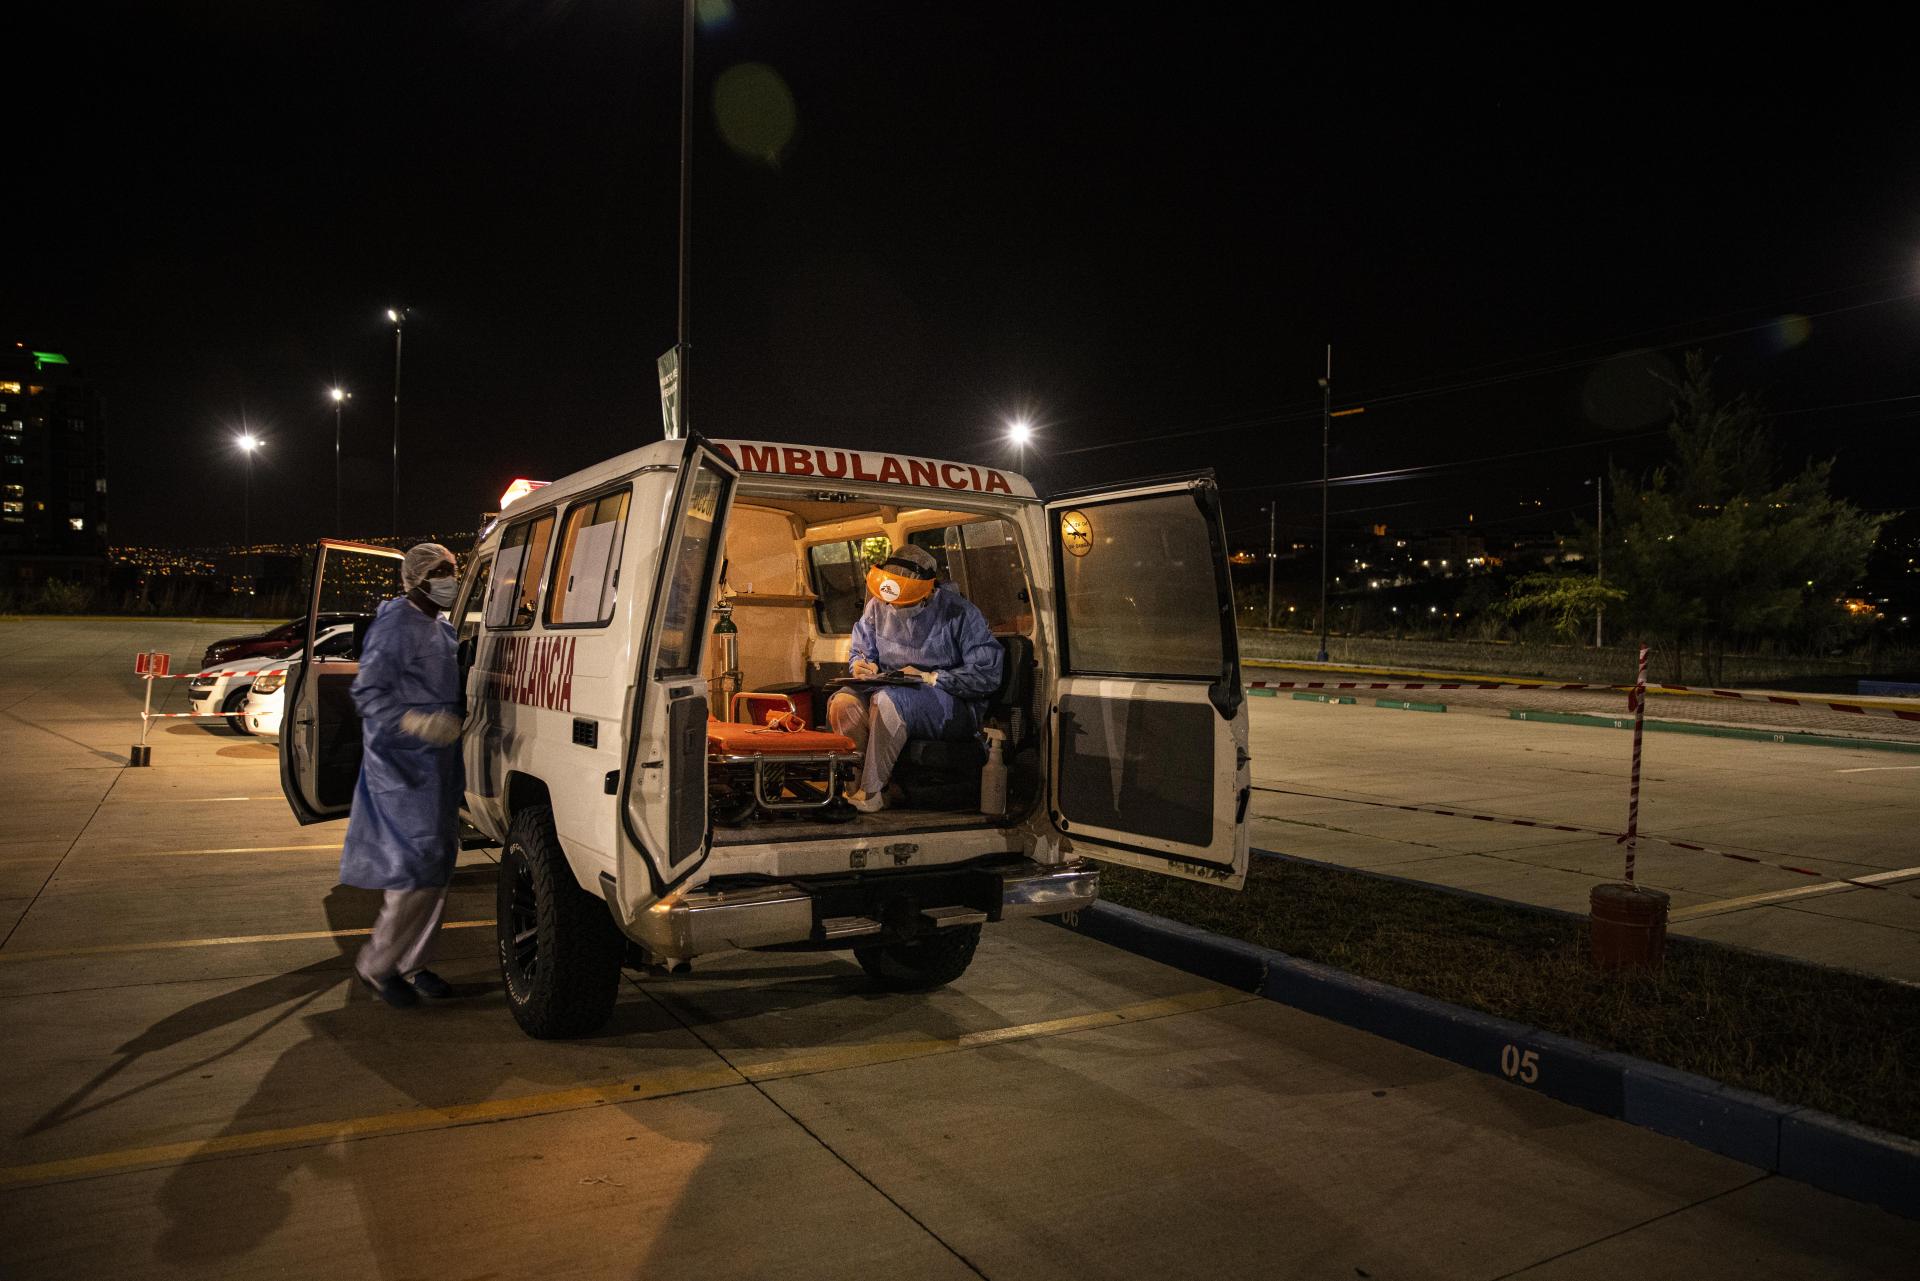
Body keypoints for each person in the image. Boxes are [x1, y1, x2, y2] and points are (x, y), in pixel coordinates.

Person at [340, 542, 465, 1008]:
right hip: (401, 764)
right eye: (439, 570)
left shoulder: (442, 627)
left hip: (437, 764)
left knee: (436, 866)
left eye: (452, 568)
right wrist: (416, 721)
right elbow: (368, 693)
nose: (449, 576)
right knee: (412, 869)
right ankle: (376, 965)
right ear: (416, 577)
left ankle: (413, 963)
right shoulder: (395, 624)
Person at [827, 544, 1003, 812]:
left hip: (949, 702)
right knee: (843, 703)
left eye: (904, 602)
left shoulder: (961, 613)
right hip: (888, 687)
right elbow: (862, 649)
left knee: (888, 701)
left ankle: (873, 791)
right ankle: (854, 792)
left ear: (928, 591)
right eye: (890, 602)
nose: (894, 608)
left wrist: (930, 677)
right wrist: (862, 665)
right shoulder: (878, 605)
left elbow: (987, 674)